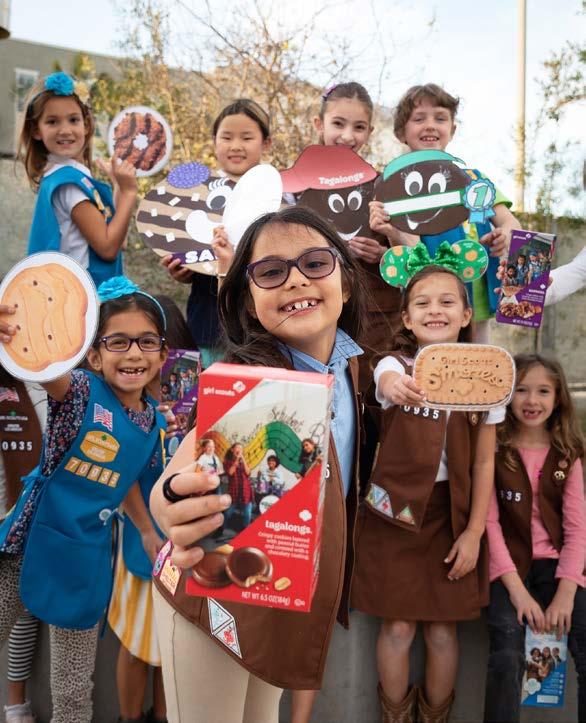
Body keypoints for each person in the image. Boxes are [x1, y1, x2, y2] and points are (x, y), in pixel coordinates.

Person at [149, 205, 366, 723]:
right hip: (207, 602)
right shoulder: (250, 383)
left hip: (274, 597)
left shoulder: (354, 368)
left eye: (315, 262)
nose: (295, 280)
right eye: (270, 271)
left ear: (347, 282)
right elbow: (175, 479)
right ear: (248, 300)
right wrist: (172, 504)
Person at [0, 277, 168, 723]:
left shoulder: (152, 423)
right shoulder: (78, 391)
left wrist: (146, 530)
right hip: (25, 544)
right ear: (94, 356)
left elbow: (125, 480)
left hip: (83, 561)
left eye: (146, 341)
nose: (134, 353)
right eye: (118, 342)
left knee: (74, 693)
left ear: (162, 355)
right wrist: (14, 334)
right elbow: (42, 367)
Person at [352, 257, 504, 722]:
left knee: (441, 632)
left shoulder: (490, 375)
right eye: (422, 303)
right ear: (406, 318)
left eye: (446, 302)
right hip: (393, 515)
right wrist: (396, 384)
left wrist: (474, 533)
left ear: (466, 314)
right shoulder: (396, 366)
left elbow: (484, 461)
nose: (434, 310)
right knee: (397, 628)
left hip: (452, 519)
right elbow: (385, 381)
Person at [370, 83, 520, 343]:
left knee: (478, 360)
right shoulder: (394, 189)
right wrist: (390, 231)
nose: (430, 125)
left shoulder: (473, 179)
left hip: (477, 299)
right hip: (430, 303)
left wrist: (505, 234)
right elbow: (403, 251)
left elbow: (510, 222)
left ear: (452, 129)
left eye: (440, 118)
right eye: (419, 119)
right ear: (400, 132)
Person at [483, 353, 585, 722]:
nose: (532, 400)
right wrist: (517, 591)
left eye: (543, 391)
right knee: (507, 655)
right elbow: (489, 523)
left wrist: (566, 592)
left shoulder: (567, 455)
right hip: (508, 568)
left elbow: (577, 529)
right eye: (521, 390)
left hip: (558, 568)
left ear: (558, 398)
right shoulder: (494, 450)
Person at [161, 99, 272, 368]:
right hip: (206, 326)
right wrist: (183, 270)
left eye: (247, 137)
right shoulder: (194, 195)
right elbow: (187, 251)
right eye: (227, 137)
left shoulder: (275, 196)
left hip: (260, 327)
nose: (236, 145)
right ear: (214, 142)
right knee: (202, 391)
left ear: (266, 143)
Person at [18, 71, 137, 287]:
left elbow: (119, 240)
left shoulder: (65, 177)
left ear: (86, 125)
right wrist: (129, 192)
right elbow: (108, 248)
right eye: (52, 121)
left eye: (73, 120)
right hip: (84, 296)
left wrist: (118, 187)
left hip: (76, 294)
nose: (65, 130)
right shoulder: (69, 185)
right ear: (36, 130)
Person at [0, 364, 45, 723]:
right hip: (7, 517)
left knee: (25, 611)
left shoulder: (55, 378)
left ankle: (17, 705)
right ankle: (15, 704)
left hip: (40, 521)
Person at [223, 443, 253, 530]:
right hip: (234, 490)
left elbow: (248, 473)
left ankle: (245, 531)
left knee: (247, 513)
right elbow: (230, 473)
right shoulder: (227, 462)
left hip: (245, 490)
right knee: (227, 513)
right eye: (237, 448)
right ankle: (221, 529)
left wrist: (243, 459)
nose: (239, 450)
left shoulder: (245, 461)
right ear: (232, 450)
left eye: (241, 448)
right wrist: (236, 460)